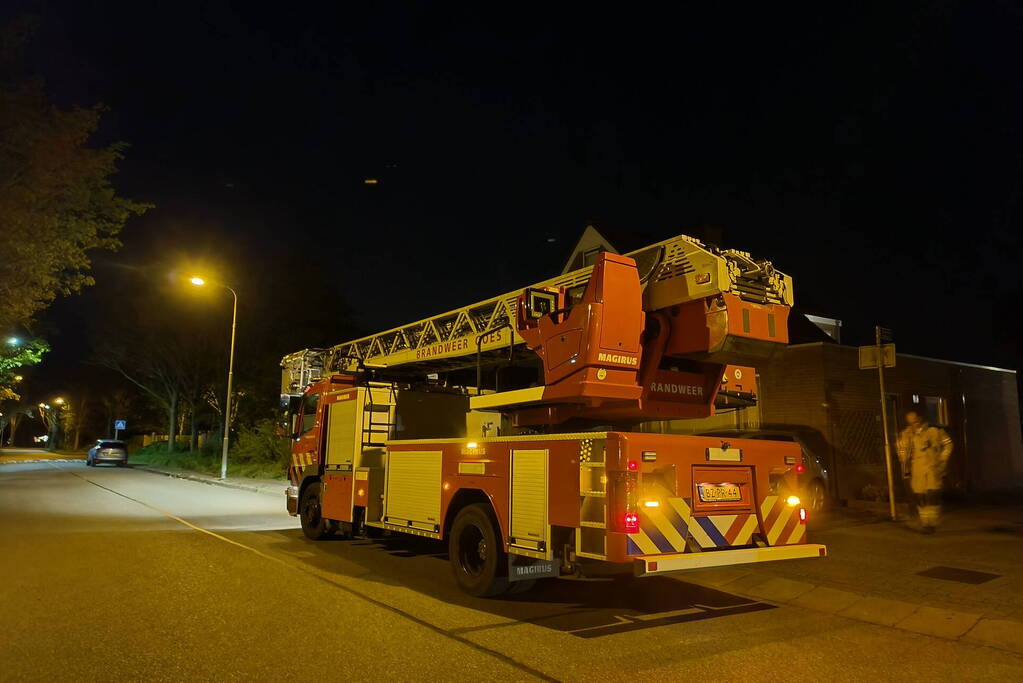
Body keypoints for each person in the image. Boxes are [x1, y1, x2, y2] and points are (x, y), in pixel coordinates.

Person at [896, 409, 953, 534]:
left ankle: (932, 522)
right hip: (917, 469)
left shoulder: (934, 431)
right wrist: (903, 458)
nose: (913, 424)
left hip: (932, 467)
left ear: (920, 419)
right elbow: (901, 449)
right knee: (919, 496)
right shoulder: (906, 434)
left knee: (933, 495)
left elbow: (948, 444)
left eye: (915, 420)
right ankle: (925, 522)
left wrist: (942, 459)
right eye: (910, 422)